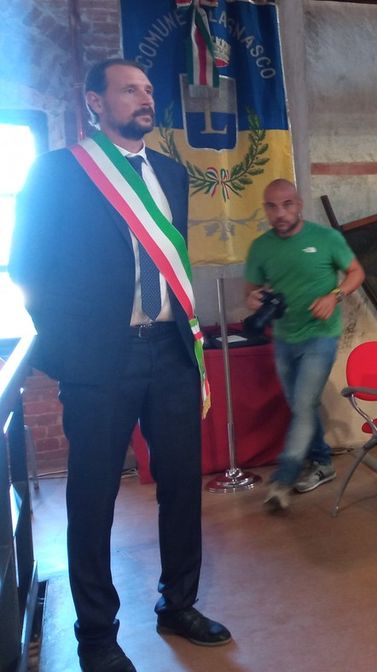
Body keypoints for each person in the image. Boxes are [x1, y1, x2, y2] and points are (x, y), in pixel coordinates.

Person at [10, 58, 231, 672]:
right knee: (94, 497)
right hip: (99, 360)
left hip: (169, 351)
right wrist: (63, 350)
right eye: (129, 89)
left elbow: (170, 260)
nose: (144, 97)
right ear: (95, 102)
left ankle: (178, 603)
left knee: (182, 485)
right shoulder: (58, 171)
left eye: (148, 89)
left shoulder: (171, 174)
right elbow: (26, 266)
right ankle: (97, 635)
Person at [245, 178, 365, 511]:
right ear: (266, 210)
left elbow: (356, 272)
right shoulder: (261, 247)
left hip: (321, 335)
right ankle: (322, 463)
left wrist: (334, 296)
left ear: (298, 205)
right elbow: (251, 290)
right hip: (284, 337)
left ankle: (283, 480)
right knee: (303, 406)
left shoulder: (326, 238)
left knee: (302, 404)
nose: (280, 213)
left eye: (287, 205)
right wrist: (253, 299)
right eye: (272, 207)